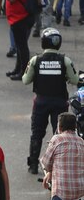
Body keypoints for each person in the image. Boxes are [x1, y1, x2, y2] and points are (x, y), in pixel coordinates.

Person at [25, 29, 79, 174]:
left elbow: (25, 80)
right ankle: (59, 163)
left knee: (37, 133)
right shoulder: (65, 60)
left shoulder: (35, 60)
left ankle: (33, 165)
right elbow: (74, 80)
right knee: (61, 134)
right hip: (60, 103)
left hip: (41, 102)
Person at [1, 0, 34, 82]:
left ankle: (23, 72)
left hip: (20, 18)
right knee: (20, 46)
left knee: (22, 46)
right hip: (18, 18)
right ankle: (18, 69)